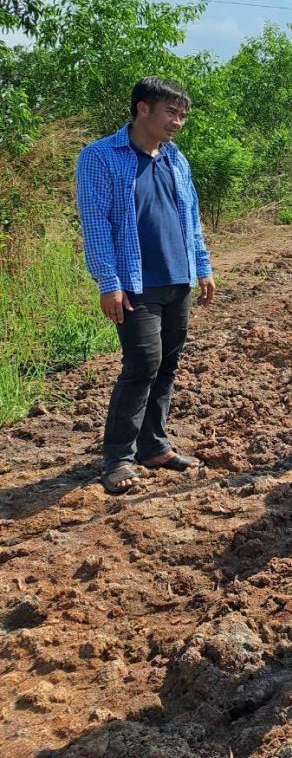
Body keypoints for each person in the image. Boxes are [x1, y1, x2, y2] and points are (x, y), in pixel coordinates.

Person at [75, 77, 216, 496]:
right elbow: (96, 222)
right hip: (136, 282)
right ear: (143, 110)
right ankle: (118, 457)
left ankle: (153, 446)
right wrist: (108, 281)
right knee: (141, 365)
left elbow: (190, 218)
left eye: (183, 115)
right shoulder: (101, 156)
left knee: (167, 365)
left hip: (178, 278)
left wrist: (202, 266)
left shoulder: (175, 158)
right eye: (171, 112)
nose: (179, 122)